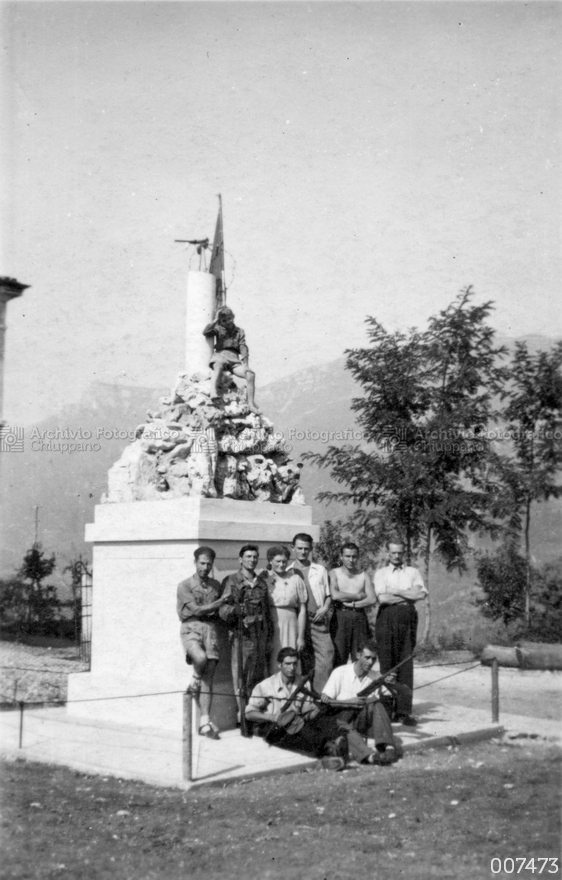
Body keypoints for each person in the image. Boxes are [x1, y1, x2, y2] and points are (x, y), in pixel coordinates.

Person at [245, 647, 348, 771]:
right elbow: (249, 714)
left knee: (317, 722)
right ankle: (331, 749)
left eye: (294, 664)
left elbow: (307, 714)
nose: (292, 667)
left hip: (296, 724)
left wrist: (317, 710)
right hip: (271, 728)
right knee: (298, 734)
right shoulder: (266, 686)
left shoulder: (303, 683)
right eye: (288, 664)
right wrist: (272, 717)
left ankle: (331, 753)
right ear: (279, 665)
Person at [321, 640, 402, 766]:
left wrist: (390, 683)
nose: (370, 662)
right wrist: (349, 702)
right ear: (358, 656)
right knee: (342, 727)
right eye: (367, 657)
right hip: (342, 721)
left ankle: (388, 747)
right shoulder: (340, 672)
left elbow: (390, 698)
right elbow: (326, 702)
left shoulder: (376, 676)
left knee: (377, 703)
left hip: (363, 722)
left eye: (374, 659)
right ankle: (371, 757)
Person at [374, 538, 428, 725]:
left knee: (405, 661)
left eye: (400, 553)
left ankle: (404, 711)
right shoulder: (381, 573)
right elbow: (382, 598)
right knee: (387, 661)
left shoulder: (412, 572)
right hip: (387, 617)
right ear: (387, 553)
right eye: (393, 553)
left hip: (408, 618)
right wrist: (407, 594)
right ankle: (386, 710)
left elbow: (420, 594)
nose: (396, 556)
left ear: (404, 553)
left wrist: (395, 591)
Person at [177, 546, 227, 739]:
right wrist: (218, 603)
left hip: (211, 631)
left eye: (208, 564)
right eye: (202, 563)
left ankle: (205, 722)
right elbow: (197, 610)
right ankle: (194, 679)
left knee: (209, 678)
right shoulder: (185, 585)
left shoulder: (215, 584)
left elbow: (222, 607)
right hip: (191, 627)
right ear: (195, 562)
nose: (205, 567)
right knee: (199, 657)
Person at [219, 544, 271, 722]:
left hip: (259, 636)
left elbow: (266, 612)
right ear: (240, 559)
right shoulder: (232, 581)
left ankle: (253, 714)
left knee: (257, 677)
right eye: (248, 557)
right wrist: (236, 611)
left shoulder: (261, 583)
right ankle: (242, 716)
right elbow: (222, 610)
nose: (252, 560)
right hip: (242, 636)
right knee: (241, 677)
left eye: (255, 557)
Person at [288, 532, 334, 691]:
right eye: (299, 548)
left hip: (317, 620)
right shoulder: (288, 571)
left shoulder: (320, 569)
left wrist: (325, 608)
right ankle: (307, 698)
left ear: (311, 549)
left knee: (326, 657)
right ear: (292, 548)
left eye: (306, 548)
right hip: (297, 622)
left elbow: (329, 595)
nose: (303, 552)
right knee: (303, 660)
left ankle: (321, 696)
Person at [203, 306, 261, 413]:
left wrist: (246, 365)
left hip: (234, 360)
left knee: (250, 374)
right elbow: (206, 332)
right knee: (218, 366)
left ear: (233, 317)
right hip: (220, 356)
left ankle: (251, 404)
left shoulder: (239, 331)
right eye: (224, 320)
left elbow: (243, 347)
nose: (228, 322)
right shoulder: (218, 328)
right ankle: (213, 392)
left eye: (230, 318)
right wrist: (216, 320)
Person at [329, 542, 377, 667]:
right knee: (339, 657)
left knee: (360, 656)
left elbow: (372, 599)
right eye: (347, 556)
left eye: (354, 556)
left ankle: (359, 686)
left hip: (359, 618)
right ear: (341, 556)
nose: (351, 560)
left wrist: (353, 605)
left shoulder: (363, 575)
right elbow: (335, 595)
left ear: (358, 557)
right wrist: (358, 596)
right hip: (340, 617)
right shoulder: (334, 573)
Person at [263, 545, 308, 674]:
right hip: (272, 622)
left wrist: (301, 637)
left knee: (291, 657)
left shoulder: (295, 579)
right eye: (278, 561)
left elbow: (302, 609)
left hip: (291, 623)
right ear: (270, 561)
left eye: (284, 561)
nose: (281, 564)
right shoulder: (265, 579)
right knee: (274, 657)